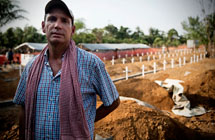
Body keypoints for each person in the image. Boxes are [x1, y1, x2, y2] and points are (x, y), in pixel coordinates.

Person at [13, 0, 120, 139]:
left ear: (72, 30)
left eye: (64, 21)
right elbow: (23, 107)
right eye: (52, 19)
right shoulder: (31, 67)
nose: (57, 25)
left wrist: (82, 123)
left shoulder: (91, 64)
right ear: (43, 26)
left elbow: (113, 102)